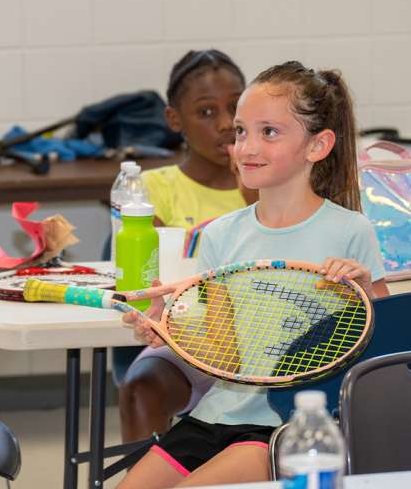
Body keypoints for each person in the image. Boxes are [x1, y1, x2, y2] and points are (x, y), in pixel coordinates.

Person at [119, 61, 388, 488]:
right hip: (215, 414)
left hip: (285, 427)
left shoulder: (351, 232)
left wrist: (363, 288)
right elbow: (223, 359)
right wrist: (166, 327)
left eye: (270, 132)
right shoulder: (222, 235)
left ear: (317, 146)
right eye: (242, 131)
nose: (246, 146)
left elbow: (386, 345)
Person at [119, 49, 252, 443]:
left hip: (263, 341)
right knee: (141, 390)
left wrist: (252, 191)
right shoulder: (153, 190)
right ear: (175, 120)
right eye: (207, 112)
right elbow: (147, 277)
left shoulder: (275, 181)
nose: (227, 124)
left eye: (235, 108)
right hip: (187, 342)